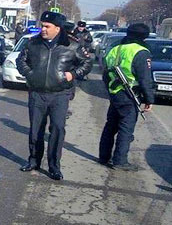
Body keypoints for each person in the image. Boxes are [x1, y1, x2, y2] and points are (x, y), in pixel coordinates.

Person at [17, 11, 92, 180]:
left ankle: (54, 166)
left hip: (60, 94)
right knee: (36, 130)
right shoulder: (33, 43)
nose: (42, 29)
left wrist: (73, 74)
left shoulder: (72, 45)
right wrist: (30, 73)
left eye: (46, 26)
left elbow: (87, 62)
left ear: (57, 28)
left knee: (57, 129)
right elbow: (21, 60)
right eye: (42, 25)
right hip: (37, 94)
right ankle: (34, 161)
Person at [98, 23, 154, 171]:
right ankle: (120, 161)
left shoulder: (116, 49)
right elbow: (144, 79)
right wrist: (149, 99)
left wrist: (111, 91)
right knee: (126, 129)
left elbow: (105, 74)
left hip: (115, 93)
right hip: (130, 95)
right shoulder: (141, 52)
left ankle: (103, 157)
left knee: (110, 126)